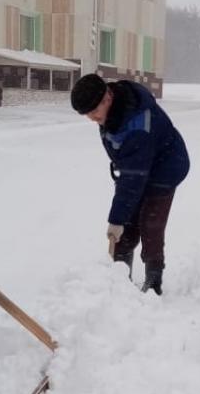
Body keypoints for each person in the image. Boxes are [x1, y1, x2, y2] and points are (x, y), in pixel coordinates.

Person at [70, 73, 190, 295]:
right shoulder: (113, 111)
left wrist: (115, 219)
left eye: (94, 112)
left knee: (150, 223)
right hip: (140, 166)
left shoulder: (138, 124)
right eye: (87, 114)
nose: (92, 118)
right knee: (127, 226)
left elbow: (133, 178)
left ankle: (154, 282)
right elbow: (131, 171)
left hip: (167, 168)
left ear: (108, 98)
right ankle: (119, 281)